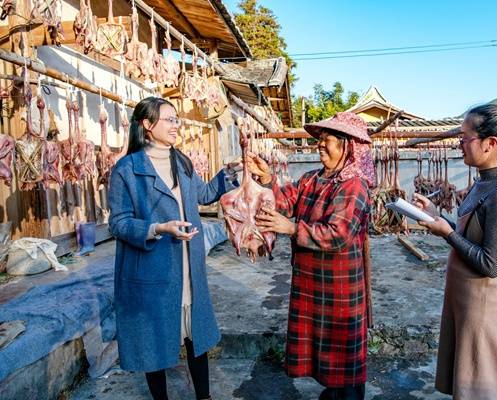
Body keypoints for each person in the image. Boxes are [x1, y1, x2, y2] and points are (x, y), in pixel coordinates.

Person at [108, 97, 239, 400]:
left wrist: (228, 175)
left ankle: (203, 396)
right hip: (153, 268)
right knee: (154, 341)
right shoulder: (127, 169)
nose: (176, 125)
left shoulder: (181, 161)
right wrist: (157, 229)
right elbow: (119, 223)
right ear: (147, 125)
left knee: (197, 335)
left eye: (176, 119)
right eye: (169, 119)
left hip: (188, 265)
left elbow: (204, 194)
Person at [413, 104, 497, 400]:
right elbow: (467, 235)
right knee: (467, 390)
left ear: (491, 144)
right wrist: (438, 217)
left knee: (485, 392)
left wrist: (446, 234)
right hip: (466, 305)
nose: (459, 143)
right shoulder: (484, 182)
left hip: (485, 311)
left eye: (465, 137)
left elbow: (491, 263)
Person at [249, 112, 375, 400]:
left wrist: (292, 229)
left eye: (328, 140)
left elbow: (339, 233)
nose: (320, 145)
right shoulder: (311, 179)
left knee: (344, 359)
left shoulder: (354, 185)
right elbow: (283, 201)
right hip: (311, 285)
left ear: (348, 146)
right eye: (320, 140)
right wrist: (268, 179)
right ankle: (333, 393)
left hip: (340, 290)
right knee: (323, 353)